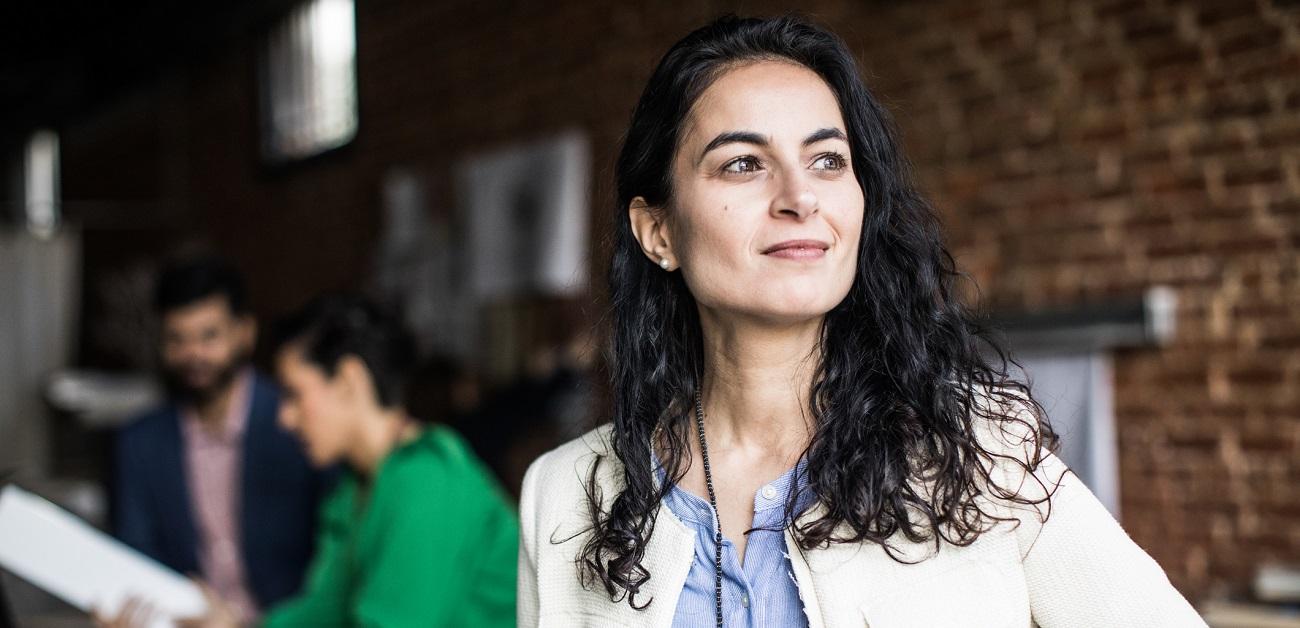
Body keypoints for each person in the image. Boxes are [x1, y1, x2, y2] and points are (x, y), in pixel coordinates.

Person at [517, 15, 1206, 628]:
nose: (800, 196)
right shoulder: (565, 494)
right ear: (658, 231)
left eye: (826, 159)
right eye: (743, 164)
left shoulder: (981, 452)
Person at [191, 294, 518, 627]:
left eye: (294, 394)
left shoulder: (426, 479)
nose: (285, 418)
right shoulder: (352, 490)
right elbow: (324, 612)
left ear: (349, 380)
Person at [113, 256, 326, 623]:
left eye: (209, 336)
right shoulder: (140, 444)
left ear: (244, 332)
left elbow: (330, 561)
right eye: (176, 339)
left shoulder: (299, 424)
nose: (193, 354)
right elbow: (136, 558)